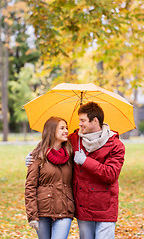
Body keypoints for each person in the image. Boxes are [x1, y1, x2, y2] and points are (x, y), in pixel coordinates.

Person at [26, 102, 125, 239]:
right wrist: (33, 155)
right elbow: (52, 144)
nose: (79, 124)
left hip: (105, 206)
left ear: (94, 120)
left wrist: (85, 161)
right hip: (83, 206)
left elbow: (111, 174)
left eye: (83, 120)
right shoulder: (74, 140)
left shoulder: (115, 145)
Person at [25, 117, 75, 239]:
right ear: (52, 131)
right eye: (62, 128)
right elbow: (30, 187)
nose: (66, 131)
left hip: (64, 210)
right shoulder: (38, 155)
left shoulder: (71, 154)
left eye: (66, 128)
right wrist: (32, 215)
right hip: (43, 211)